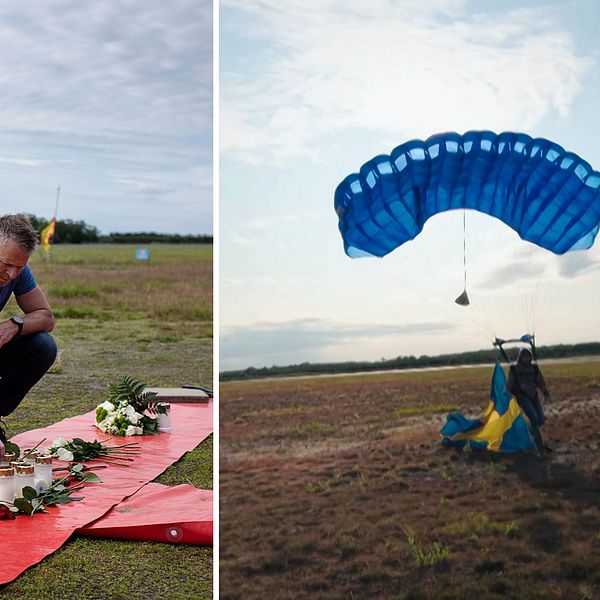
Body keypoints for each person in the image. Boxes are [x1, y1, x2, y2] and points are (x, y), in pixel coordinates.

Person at [0, 215, 57, 459]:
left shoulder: (17, 271)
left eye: (20, 267)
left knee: (43, 346)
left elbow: (46, 317)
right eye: (6, 264)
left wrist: (14, 324)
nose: (12, 274)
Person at [506, 347, 550, 456]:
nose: (526, 359)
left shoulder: (534, 369)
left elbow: (540, 382)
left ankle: (530, 435)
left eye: (528, 357)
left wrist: (545, 393)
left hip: (533, 396)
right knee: (534, 419)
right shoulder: (514, 369)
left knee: (540, 420)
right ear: (520, 358)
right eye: (524, 357)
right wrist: (505, 395)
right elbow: (509, 384)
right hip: (522, 396)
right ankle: (539, 448)